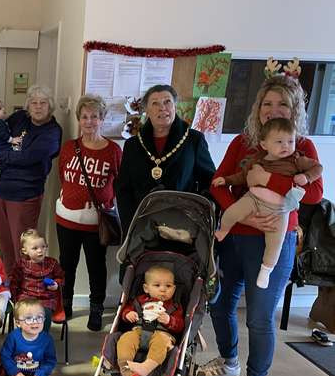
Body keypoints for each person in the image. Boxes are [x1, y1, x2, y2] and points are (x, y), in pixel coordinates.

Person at [202, 72, 323, 376]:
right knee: (221, 304)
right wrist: (242, 213)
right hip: (235, 239)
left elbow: (313, 194)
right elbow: (217, 184)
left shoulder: (302, 147)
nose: (273, 109)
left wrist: (269, 179)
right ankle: (228, 361)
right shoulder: (242, 143)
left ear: (294, 108)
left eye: (282, 104)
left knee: (258, 315)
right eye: (267, 103)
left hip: (274, 242)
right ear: (258, 108)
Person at [213, 117, 322, 288]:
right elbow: (241, 176)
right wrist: (226, 181)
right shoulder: (257, 158)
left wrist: (306, 177)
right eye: (279, 142)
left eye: (290, 141)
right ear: (264, 144)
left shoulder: (297, 159)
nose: (286, 146)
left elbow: (318, 170)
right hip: (253, 199)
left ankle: (266, 269)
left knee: (275, 243)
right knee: (231, 213)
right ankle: (223, 231)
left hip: (279, 209)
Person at [56, 94, 122, 328]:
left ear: (102, 119)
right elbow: (63, 176)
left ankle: (96, 308)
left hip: (97, 222)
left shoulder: (113, 150)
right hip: (67, 219)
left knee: (96, 266)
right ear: (79, 120)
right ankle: (66, 304)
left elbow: (118, 183)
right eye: (84, 117)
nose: (89, 121)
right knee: (67, 264)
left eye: (94, 116)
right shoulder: (69, 148)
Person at [114, 84, 215, 232]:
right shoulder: (133, 145)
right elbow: (123, 189)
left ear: (175, 106)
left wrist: (196, 219)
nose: (162, 108)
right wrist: (131, 226)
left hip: (182, 227)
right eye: (155, 103)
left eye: (167, 102)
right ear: (146, 110)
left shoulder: (194, 140)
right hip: (142, 227)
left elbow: (209, 181)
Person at [0, 84, 62, 268]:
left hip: (24, 196)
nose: (38, 106)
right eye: (34, 102)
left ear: (50, 106)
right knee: (4, 244)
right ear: (28, 105)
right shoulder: (19, 118)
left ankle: (26, 289)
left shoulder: (52, 132)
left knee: (24, 247)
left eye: (43, 103)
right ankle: (9, 286)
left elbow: (27, 157)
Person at [116, 266, 184, 376]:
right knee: (125, 338)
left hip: (163, 334)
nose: (163, 289)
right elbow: (126, 310)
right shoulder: (139, 301)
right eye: (157, 285)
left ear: (174, 289)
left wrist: (169, 320)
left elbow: (180, 326)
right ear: (146, 288)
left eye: (168, 286)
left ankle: (146, 368)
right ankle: (126, 368)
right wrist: (128, 314)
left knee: (161, 343)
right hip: (139, 331)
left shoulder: (175, 307)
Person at [0, 299, 60, 376]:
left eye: (39, 317)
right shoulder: (13, 337)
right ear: (18, 323)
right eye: (28, 318)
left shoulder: (46, 339)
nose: (35, 322)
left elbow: (50, 360)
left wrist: (40, 374)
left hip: (38, 374)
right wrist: (15, 373)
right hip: (19, 374)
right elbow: (5, 356)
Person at [9, 229, 65, 332]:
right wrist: (14, 299)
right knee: (24, 313)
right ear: (25, 250)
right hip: (25, 297)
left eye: (43, 247)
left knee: (45, 314)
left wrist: (56, 284)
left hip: (46, 299)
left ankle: (42, 337)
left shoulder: (52, 263)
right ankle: (24, 336)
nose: (40, 250)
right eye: (35, 248)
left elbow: (61, 277)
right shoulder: (21, 265)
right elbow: (13, 282)